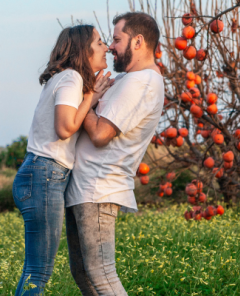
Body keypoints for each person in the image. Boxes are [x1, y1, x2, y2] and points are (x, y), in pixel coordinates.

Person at [64, 12, 165, 295]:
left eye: (117, 39)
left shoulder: (142, 82)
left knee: (101, 274)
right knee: (84, 273)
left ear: (138, 41)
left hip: (99, 187)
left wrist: (87, 100)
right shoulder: (129, 80)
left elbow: (100, 134)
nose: (110, 46)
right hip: (85, 188)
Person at [12, 25, 112, 295]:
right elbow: (65, 128)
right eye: (100, 42)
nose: (107, 47)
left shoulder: (62, 78)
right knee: (39, 270)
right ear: (83, 49)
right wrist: (91, 97)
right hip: (45, 175)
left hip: (40, 174)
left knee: (35, 268)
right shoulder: (71, 79)